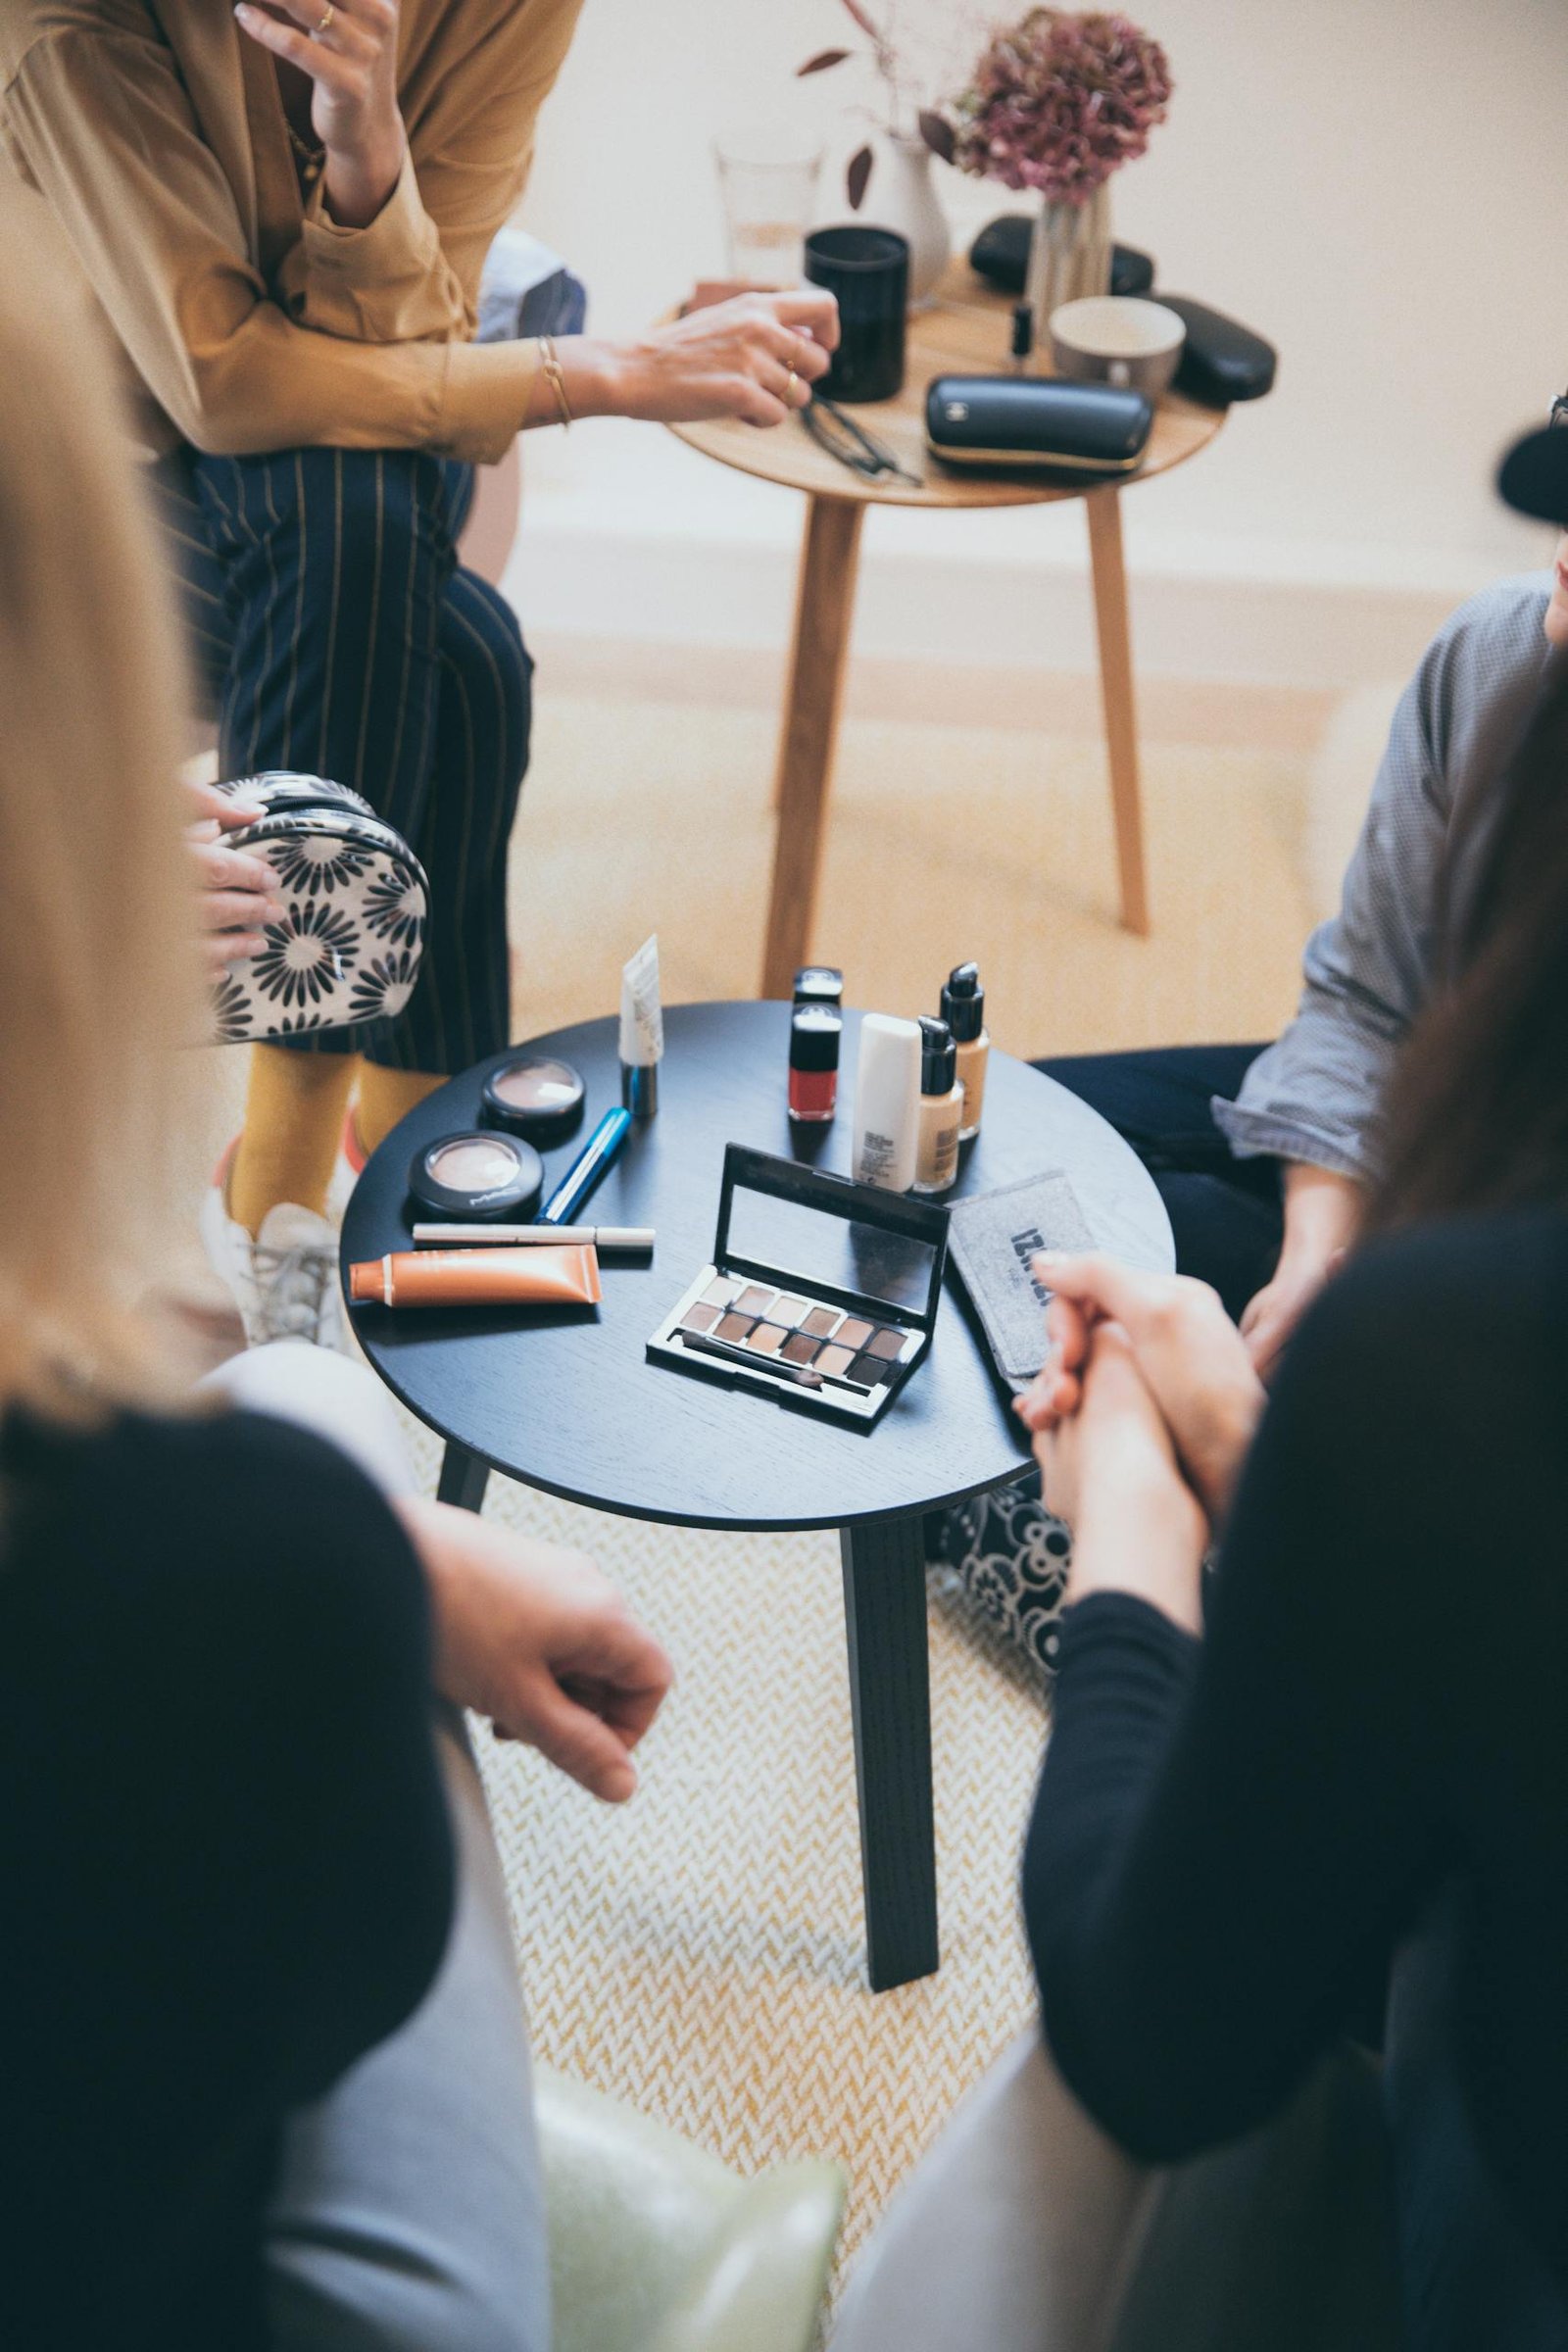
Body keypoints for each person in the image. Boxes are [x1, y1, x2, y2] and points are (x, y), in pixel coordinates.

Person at [0, 206, 673, 2351]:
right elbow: (322, 1963)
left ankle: (337, 1136)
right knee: (289, 1403)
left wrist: (372, 150)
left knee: (448, 641)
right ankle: (337, 1142)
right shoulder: (214, 1579)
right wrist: (361, 1577)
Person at [832, 469, 1568, 2347]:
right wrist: (1319, 1280)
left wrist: (1146, 1527)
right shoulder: (1493, 657)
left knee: (1016, 1363)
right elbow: (1356, 1004)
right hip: (1415, 1271)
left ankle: (1061, 1535)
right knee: (1017, 1138)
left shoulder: (1459, 1370)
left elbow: (1155, 2039)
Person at [0, 0, 838, 1348]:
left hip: (332, 509)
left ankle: (331, 1180)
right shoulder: (78, 22)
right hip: (78, 514)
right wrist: (609, 372)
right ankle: (360, 1171)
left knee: (384, 541)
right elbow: (222, 383)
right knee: (461, 648)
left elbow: (406, 342)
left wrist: (365, 142)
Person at [941, 468, 1565, 1658]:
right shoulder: (1497, 651)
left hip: (1508, 1280)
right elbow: (1364, 994)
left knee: (1073, 1348)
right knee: (992, 1163)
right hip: (1420, 1126)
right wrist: (1317, 1246)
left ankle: (1201, 1613)